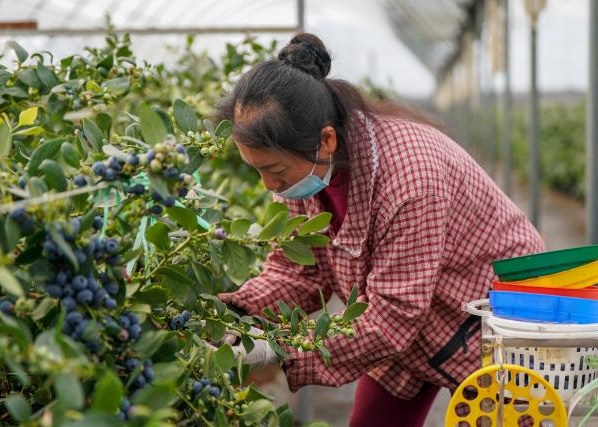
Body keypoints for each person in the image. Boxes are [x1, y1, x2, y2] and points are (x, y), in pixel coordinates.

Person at [214, 33, 544, 426]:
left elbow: (394, 317)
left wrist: (282, 352)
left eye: (274, 171)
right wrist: (238, 312)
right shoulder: (302, 175)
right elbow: (299, 269)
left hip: (487, 309)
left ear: (326, 140)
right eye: (258, 170)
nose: (268, 185)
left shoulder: (409, 177)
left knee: (499, 417)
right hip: (406, 313)